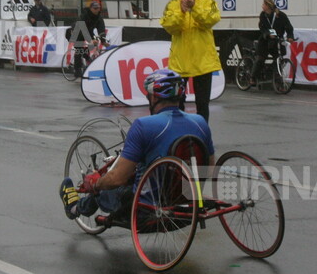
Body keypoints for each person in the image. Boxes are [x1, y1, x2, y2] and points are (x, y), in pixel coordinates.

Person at [59, 68, 215, 221]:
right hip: (188, 200)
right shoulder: (200, 122)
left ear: (153, 98)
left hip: (147, 206)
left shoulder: (143, 125)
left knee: (107, 186)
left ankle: (75, 208)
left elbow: (117, 178)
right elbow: (210, 167)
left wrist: (96, 183)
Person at [159, 0, 221, 122]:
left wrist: (194, 9)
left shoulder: (208, 2)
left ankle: (202, 136)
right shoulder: (173, 4)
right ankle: (181, 135)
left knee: (202, 104)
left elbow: (210, 20)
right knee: (177, 102)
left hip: (203, 61)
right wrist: (181, 11)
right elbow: (169, 27)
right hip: (180, 62)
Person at [252, 0, 295, 79]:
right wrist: (268, 34)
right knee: (260, 58)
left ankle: (276, 79)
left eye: (263, 5)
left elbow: (288, 27)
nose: (262, 6)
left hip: (277, 40)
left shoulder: (281, 15)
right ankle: (253, 77)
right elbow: (262, 27)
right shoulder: (263, 15)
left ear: (268, 6)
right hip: (265, 41)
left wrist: (290, 37)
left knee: (279, 58)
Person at [71, 0, 107, 78]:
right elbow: (82, 28)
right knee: (79, 49)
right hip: (77, 30)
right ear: (90, 8)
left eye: (98, 8)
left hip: (88, 31)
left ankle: (88, 60)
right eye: (95, 8)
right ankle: (77, 70)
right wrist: (90, 41)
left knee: (92, 46)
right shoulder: (84, 15)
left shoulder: (98, 17)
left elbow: (101, 29)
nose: (97, 10)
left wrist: (103, 40)